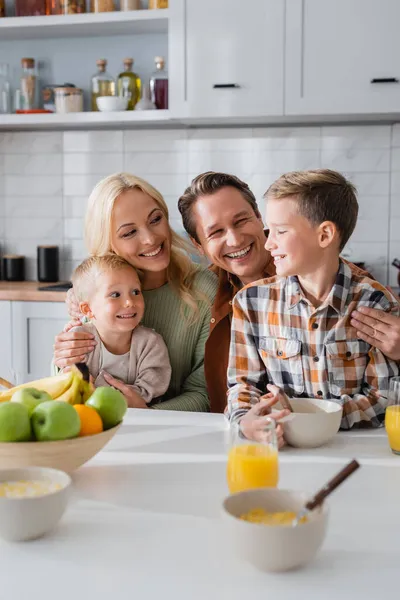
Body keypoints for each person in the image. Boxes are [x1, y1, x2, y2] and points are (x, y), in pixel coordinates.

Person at [226, 169, 400, 438]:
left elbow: (383, 399)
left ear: (324, 235)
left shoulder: (374, 302)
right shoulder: (251, 303)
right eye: (269, 231)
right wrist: (245, 421)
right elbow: (242, 386)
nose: (268, 243)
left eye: (280, 231)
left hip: (349, 450)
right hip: (279, 445)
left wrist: (306, 415)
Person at [53, 173, 217, 412]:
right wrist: (62, 359)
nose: (150, 239)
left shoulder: (204, 290)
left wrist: (146, 413)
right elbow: (68, 379)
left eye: (155, 219)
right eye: (129, 232)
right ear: (109, 242)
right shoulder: (97, 293)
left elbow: (205, 394)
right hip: (98, 429)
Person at [178, 172, 275, 413]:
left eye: (241, 221)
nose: (234, 240)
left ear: (259, 216)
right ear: (199, 246)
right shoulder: (202, 291)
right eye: (216, 232)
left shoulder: (306, 267)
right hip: (237, 432)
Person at [69, 254, 171, 407]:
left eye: (136, 292)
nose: (130, 302)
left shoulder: (151, 343)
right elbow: (70, 383)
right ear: (88, 309)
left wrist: (96, 389)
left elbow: (152, 388)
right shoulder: (79, 339)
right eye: (115, 295)